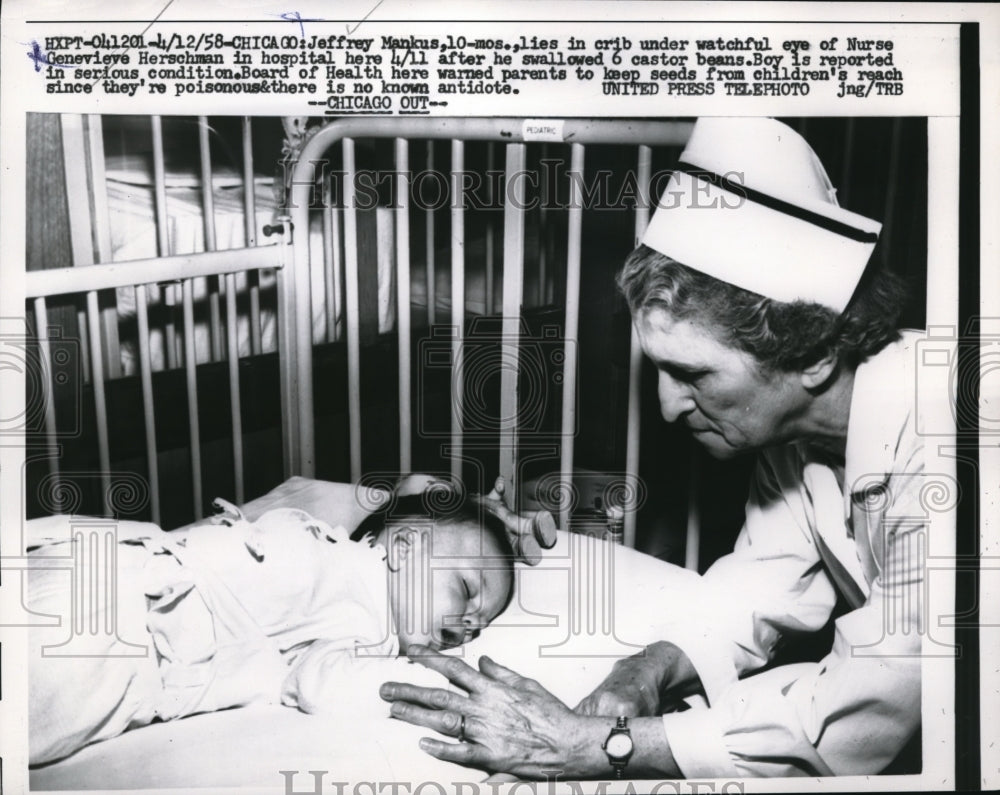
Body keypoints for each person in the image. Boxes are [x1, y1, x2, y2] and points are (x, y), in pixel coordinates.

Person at [379, 117, 929, 779]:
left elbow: (872, 699)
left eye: (694, 374)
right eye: (659, 371)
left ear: (811, 355)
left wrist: (597, 746)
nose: (667, 406)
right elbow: (759, 587)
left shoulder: (954, 447)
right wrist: (640, 673)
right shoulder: (798, 438)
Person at [28, 489, 515, 766]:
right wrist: (439, 683)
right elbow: (325, 686)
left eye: (479, 625)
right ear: (406, 548)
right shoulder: (366, 599)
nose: (469, 622)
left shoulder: (363, 613)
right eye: (468, 589)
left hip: (112, 593)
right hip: (125, 624)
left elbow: (317, 671)